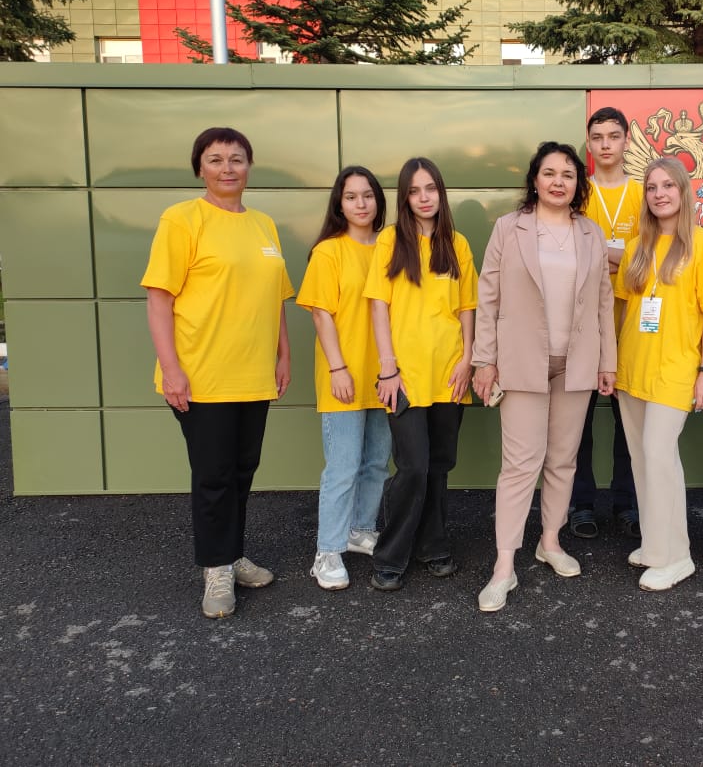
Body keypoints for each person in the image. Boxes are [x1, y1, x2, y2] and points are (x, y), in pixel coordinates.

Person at [142, 127, 293, 619]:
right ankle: (216, 568)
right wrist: (172, 370)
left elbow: (275, 298)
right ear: (199, 168)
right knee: (214, 476)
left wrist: (283, 354)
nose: (227, 168)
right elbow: (159, 300)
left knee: (242, 471)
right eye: (215, 159)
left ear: (249, 166)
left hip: (253, 374)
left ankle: (232, 552)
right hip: (201, 375)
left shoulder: (264, 225)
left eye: (236, 158)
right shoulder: (182, 219)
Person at [472, 141, 616, 612]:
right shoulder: (508, 228)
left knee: (562, 460)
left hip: (577, 363)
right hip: (520, 362)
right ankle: (504, 565)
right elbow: (488, 297)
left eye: (568, 175)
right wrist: (484, 360)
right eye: (550, 173)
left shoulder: (591, 233)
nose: (558, 182)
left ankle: (550, 541)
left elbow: (603, 302)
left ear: (578, 184)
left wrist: (607, 362)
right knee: (520, 464)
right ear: (534, 180)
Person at [614, 157, 703, 592]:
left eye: (668, 185)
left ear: (683, 191)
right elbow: (623, 308)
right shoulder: (637, 246)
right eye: (651, 187)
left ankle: (677, 555)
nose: (659, 194)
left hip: (676, 369)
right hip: (633, 367)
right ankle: (655, 546)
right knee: (642, 459)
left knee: (659, 454)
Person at [364, 157, 478, 592]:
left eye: (430, 188)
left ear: (440, 192)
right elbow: (378, 306)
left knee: (439, 466)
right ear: (405, 198)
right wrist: (387, 368)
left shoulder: (457, 244)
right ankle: (391, 554)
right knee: (412, 466)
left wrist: (468, 359)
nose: (424, 197)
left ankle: (434, 546)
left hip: (449, 371)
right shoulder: (390, 241)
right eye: (414, 191)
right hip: (405, 375)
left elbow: (467, 307)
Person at [296, 166, 390, 591]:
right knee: (343, 466)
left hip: (384, 375)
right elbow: (321, 314)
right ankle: (328, 551)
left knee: (376, 462)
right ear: (339, 204)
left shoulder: (389, 247)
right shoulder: (329, 251)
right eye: (351, 197)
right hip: (344, 374)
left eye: (367, 195)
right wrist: (337, 368)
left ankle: (360, 530)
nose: (361, 204)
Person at [569, 107, 641, 540]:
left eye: (614, 136)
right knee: (576, 423)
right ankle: (580, 503)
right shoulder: (578, 194)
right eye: (598, 137)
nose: (606, 144)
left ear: (627, 140)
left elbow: (650, 258)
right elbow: (571, 254)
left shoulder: (643, 193)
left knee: (628, 422)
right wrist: (624, 257)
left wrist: (605, 256)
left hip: (631, 324)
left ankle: (626, 503)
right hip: (583, 325)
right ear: (589, 143)